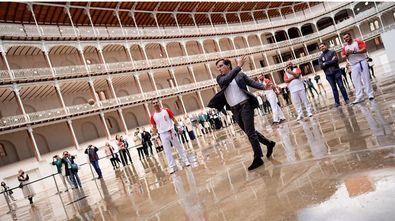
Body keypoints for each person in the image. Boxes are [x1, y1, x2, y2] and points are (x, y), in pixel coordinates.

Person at [208, 56, 276, 171]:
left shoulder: (240, 75)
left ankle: (258, 157)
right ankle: (269, 143)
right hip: (234, 109)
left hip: (245, 106)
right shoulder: (220, 78)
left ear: (228, 65)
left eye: (221, 66)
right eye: (217, 67)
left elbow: (251, 83)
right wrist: (239, 66)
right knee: (250, 132)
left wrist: (264, 86)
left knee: (250, 132)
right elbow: (227, 80)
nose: (219, 69)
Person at [150, 99, 190, 174]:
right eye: (154, 103)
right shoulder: (153, 116)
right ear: (152, 105)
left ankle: (185, 160)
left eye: (156, 102)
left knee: (178, 146)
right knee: (167, 151)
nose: (155, 104)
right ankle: (172, 166)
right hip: (162, 134)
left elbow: (173, 118)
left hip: (171, 131)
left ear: (159, 102)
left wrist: (178, 126)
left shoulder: (166, 110)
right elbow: (154, 126)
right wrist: (154, 135)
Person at [341, 32, 374, 104]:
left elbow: (364, 49)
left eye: (347, 37)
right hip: (353, 64)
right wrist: (347, 54)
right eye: (344, 38)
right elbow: (343, 57)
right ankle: (359, 97)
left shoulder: (357, 42)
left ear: (350, 36)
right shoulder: (345, 48)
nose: (346, 39)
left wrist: (353, 52)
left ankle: (370, 94)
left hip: (362, 61)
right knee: (355, 81)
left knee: (366, 78)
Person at [319, 42, 350, 107]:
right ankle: (337, 103)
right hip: (328, 75)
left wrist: (325, 63)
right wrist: (329, 62)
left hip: (336, 72)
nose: (322, 48)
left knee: (341, 86)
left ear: (326, 45)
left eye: (323, 46)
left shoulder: (332, 52)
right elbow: (321, 66)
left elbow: (335, 61)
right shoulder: (320, 57)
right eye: (320, 47)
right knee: (334, 88)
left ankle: (346, 99)